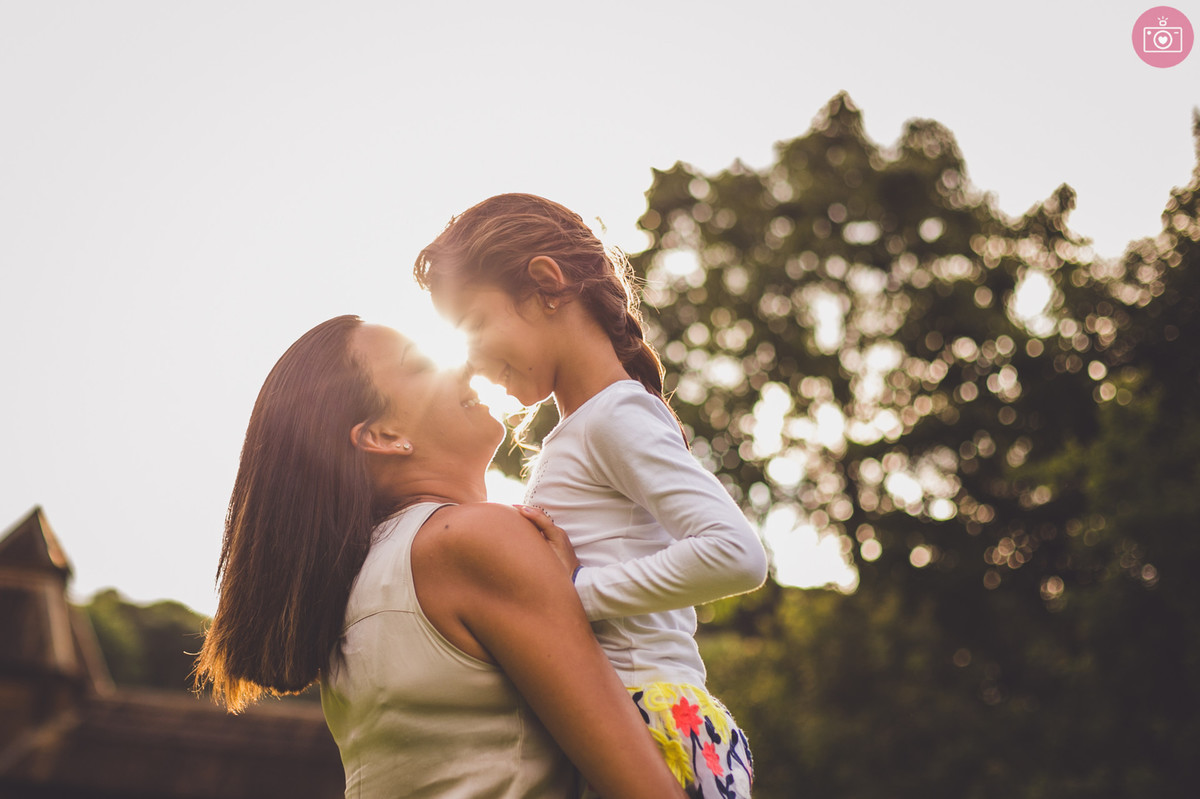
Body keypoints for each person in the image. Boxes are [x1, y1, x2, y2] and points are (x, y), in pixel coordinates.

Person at [194, 315, 686, 799]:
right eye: (420, 365)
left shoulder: (361, 582)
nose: (462, 365)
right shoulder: (475, 541)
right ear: (384, 436)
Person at [415, 193, 770, 798]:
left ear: (546, 286)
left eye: (473, 324)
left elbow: (735, 554)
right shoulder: (586, 426)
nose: (468, 362)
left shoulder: (615, 414)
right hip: (619, 713)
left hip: (652, 718)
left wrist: (571, 594)